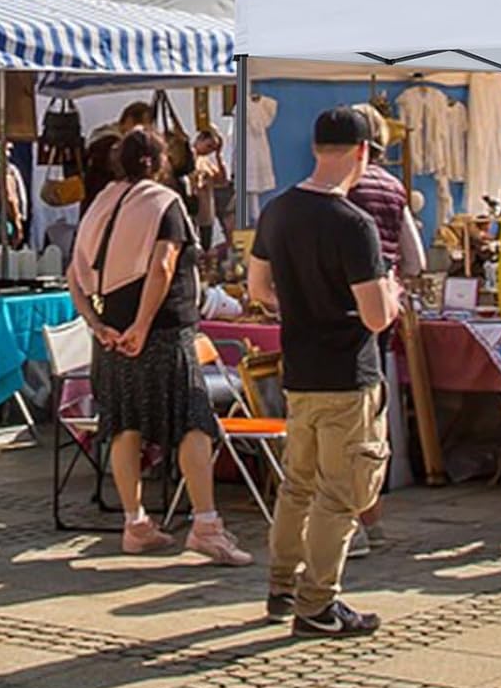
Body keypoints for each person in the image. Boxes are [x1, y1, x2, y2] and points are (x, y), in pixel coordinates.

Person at [249, 107, 400, 638]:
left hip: (300, 370)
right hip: (346, 372)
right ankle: (316, 603)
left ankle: (281, 586)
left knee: (296, 485)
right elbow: (376, 316)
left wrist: (297, 307)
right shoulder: (352, 224)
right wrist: (394, 294)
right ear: (362, 152)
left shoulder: (277, 211)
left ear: (315, 149)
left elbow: (257, 290)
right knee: (340, 493)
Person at [67, 128, 250, 565]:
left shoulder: (101, 203)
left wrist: (95, 324)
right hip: (162, 331)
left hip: (112, 330)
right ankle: (206, 526)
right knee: (193, 422)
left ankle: (136, 524)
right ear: (162, 161)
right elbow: (164, 265)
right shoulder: (163, 202)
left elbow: (74, 272)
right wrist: (144, 325)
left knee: (124, 424)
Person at [345, 104, 426, 555]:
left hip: (339, 314)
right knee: (370, 417)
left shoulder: (339, 190)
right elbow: (413, 260)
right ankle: (369, 513)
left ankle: (356, 517)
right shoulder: (393, 188)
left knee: (346, 421)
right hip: (380, 310)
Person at [191, 126, 228, 253]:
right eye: (209, 146)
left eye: (212, 149)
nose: (209, 151)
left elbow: (222, 180)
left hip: (206, 213)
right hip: (192, 210)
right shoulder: (187, 158)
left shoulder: (206, 161)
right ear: (200, 140)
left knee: (206, 247)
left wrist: (219, 156)